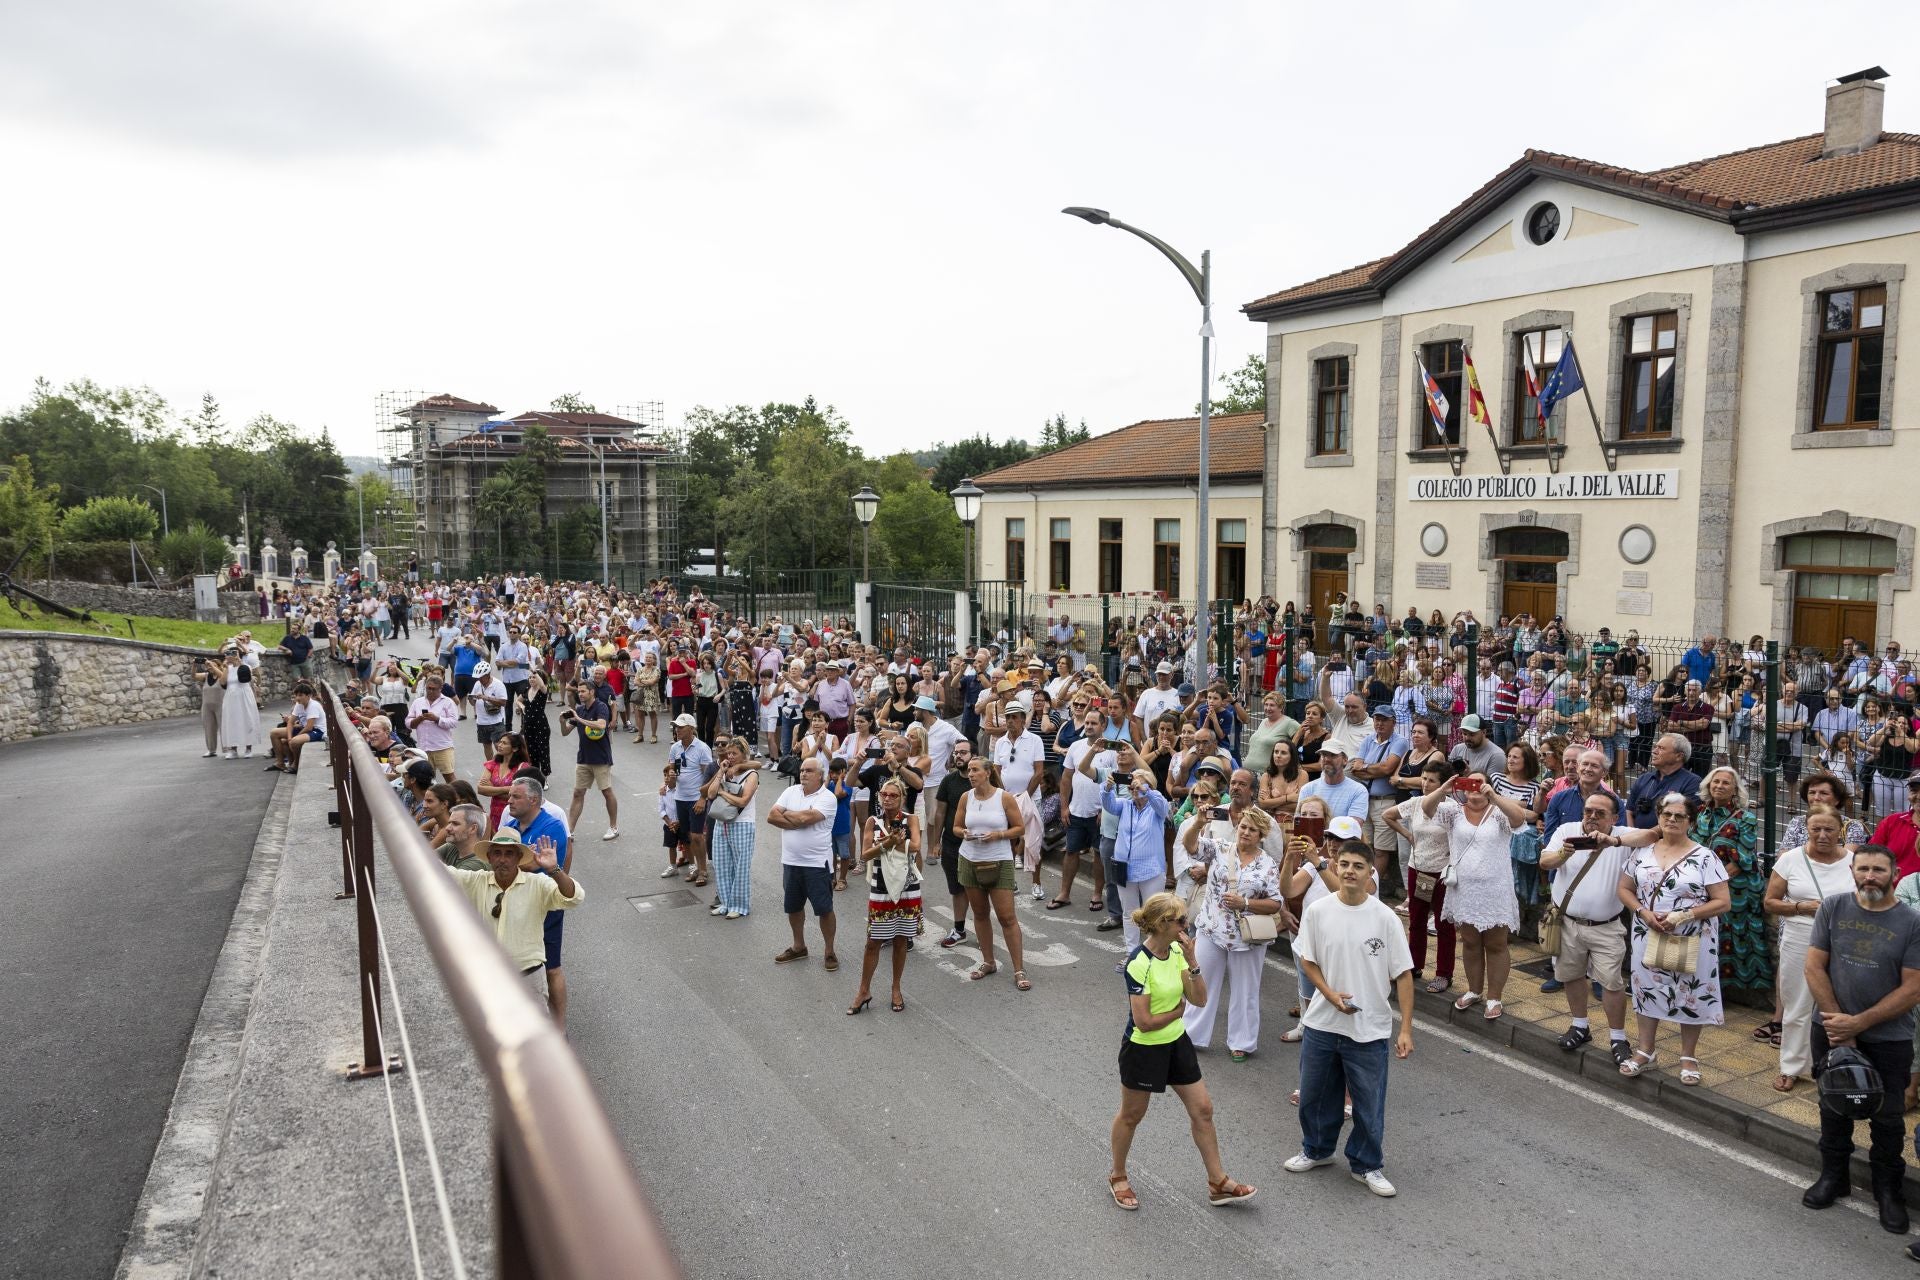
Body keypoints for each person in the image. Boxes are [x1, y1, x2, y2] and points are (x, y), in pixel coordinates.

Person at [1107, 891, 1256, 1212]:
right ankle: (1118, 1175)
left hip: (1176, 1044)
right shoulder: (1139, 963)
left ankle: (1218, 1182)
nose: (1186, 925)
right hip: (1143, 1050)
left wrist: (1192, 962)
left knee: (1203, 1109)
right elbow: (1144, 1022)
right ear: (1162, 925)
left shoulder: (1177, 952)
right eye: (1181, 921)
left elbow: (1200, 1000)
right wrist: (1176, 1013)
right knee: (1132, 1115)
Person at [1802, 844, 1920, 1238]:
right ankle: (1833, 1178)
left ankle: (1888, 1191)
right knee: (1833, 1106)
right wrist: (1838, 1023)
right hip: (1832, 1029)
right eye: (1863, 869)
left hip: (1889, 1037)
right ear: (1852, 870)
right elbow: (1814, 964)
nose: (1870, 876)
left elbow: (1913, 989)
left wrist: (1858, 1024)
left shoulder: (1912, 922)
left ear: (1895, 873)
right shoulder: (1832, 908)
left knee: (1887, 1118)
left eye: (1879, 870)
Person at [1285, 840, 1415, 1199]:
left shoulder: (1385, 918)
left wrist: (1404, 1028)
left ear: (1371, 871)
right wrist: (1328, 994)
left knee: (1368, 1103)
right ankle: (1316, 1149)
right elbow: (1307, 960)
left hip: (1369, 1027)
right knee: (1313, 1095)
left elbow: (1403, 974)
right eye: (1343, 864)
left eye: (1358, 865)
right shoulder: (1319, 911)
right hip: (1322, 1024)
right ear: (1335, 866)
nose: (1349, 871)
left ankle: (1366, 1163)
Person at [1616, 792, 1731, 1082]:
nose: (1672, 820)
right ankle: (1646, 1051)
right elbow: (1624, 889)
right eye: (1667, 814)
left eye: (1680, 816)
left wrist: (1683, 915)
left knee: (1690, 993)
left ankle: (1688, 1057)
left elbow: (1722, 902)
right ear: (1659, 817)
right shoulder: (1642, 852)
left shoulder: (1705, 857)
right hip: (1648, 930)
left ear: (1690, 821)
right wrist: (1643, 913)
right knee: (1646, 989)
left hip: (1693, 935)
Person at [1421, 770, 1532, 1019]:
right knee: (1470, 942)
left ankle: (1494, 997)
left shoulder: (1499, 812)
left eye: (1480, 783)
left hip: (1495, 888)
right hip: (1464, 889)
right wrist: (1444, 788)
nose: (1474, 788)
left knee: (1496, 944)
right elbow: (1427, 808)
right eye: (1469, 783)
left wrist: (1494, 796)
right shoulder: (1453, 811)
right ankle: (1473, 990)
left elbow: (1518, 819)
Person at [1538, 790, 1637, 1067]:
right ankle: (1580, 1026)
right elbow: (1545, 861)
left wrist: (1613, 840)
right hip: (1567, 923)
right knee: (1571, 976)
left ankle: (1618, 1037)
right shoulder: (1567, 830)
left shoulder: (1623, 835)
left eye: (1600, 813)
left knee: (1612, 984)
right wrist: (1562, 854)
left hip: (1606, 927)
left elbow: (1653, 835)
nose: (1592, 817)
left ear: (1614, 818)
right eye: (1588, 811)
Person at [1765, 805, 1855, 1093]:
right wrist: (1801, 907)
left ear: (1840, 830)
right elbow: (1770, 902)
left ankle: (1833, 1064)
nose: (1822, 834)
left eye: (1829, 829)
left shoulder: (1854, 861)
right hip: (1800, 935)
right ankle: (1791, 1066)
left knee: (1838, 1003)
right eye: (1816, 828)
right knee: (1797, 1003)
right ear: (1807, 829)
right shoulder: (1791, 859)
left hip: (1842, 940)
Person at [446, 827, 583, 1015]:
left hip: (528, 978)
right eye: (497, 853)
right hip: (487, 978)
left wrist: (554, 870)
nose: (502, 859)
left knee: (534, 1038)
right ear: (489, 857)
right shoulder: (476, 881)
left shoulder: (538, 883)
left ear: (518, 858)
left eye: (509, 853)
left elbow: (573, 897)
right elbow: (438, 873)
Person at [1182, 807, 1282, 1061]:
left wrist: (1245, 904)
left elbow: (1275, 903)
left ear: (1261, 835)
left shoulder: (1268, 864)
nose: (1246, 832)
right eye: (1243, 827)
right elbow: (1191, 846)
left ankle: (1242, 1043)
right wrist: (1196, 824)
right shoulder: (1219, 847)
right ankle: (1190, 1036)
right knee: (1201, 982)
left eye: (1252, 830)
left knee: (1246, 990)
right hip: (1211, 929)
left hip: (1247, 938)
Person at [495, 777, 577, 1028]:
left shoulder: (551, 827)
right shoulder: (511, 824)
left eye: (515, 797)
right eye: (509, 796)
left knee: (551, 968)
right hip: (516, 904)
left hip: (544, 906)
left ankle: (559, 1028)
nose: (508, 801)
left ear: (533, 800)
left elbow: (531, 865)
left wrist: (509, 862)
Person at [951, 756, 1029, 988]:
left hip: (999, 861)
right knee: (980, 913)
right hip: (970, 859)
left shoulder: (1003, 797)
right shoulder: (966, 797)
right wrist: (963, 833)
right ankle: (988, 961)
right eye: (969, 770)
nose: (971, 774)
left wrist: (998, 835)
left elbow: (1020, 828)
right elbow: (955, 827)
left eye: (975, 770)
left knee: (1007, 917)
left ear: (987, 773)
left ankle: (1019, 969)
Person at [848, 778, 923, 1015]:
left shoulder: (911, 819)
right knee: (873, 942)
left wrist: (887, 844)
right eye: (884, 794)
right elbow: (865, 853)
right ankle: (863, 990)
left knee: (901, 939)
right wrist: (890, 842)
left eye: (893, 795)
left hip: (907, 887)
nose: (887, 799)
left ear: (901, 797)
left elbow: (915, 847)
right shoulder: (873, 821)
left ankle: (896, 988)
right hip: (880, 887)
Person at [1383, 758, 1456, 993]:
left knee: (1444, 925)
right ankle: (1414, 965)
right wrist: (1407, 834)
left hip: (1443, 873)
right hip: (1418, 869)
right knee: (1416, 921)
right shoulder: (1415, 802)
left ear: (1444, 785)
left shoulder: (1451, 808)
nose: (1425, 784)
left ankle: (1444, 974)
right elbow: (1387, 815)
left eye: (1432, 781)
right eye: (1424, 778)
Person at [1693, 766, 1766, 994]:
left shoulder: (1746, 818)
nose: (1719, 786)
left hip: (1735, 887)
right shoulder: (1699, 812)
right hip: (1701, 883)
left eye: (1725, 783)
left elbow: (1742, 859)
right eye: (1715, 782)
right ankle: (1702, 983)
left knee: (1732, 933)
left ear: (1735, 789)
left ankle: (1729, 990)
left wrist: (1712, 883)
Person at [769, 757, 840, 969]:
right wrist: (797, 819)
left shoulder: (827, 797)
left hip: (817, 864)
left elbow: (806, 818)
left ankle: (829, 950)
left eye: (808, 770)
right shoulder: (790, 792)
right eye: (801, 770)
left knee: (824, 909)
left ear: (820, 775)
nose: (803, 774)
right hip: (790, 862)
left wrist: (790, 816)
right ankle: (799, 946)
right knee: (793, 907)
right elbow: (772, 816)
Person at [1103, 765, 1171, 952]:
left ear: (1149, 786)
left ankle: (1153, 952)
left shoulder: (1156, 807)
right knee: (1129, 913)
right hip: (1124, 869)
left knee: (1153, 915)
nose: (1134, 789)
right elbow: (1108, 804)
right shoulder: (1125, 805)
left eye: (1137, 785)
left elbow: (1163, 806)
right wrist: (1107, 787)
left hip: (1151, 870)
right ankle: (1132, 953)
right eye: (1131, 786)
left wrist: (1145, 789)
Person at [1352, 706, 1409, 906]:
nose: (1379, 723)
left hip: (1386, 800)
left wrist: (1367, 768)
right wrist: (1374, 770)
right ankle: (1362, 885)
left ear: (1393, 721)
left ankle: (1370, 888)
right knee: (1365, 845)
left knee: (1382, 849)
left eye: (1384, 720)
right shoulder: (1369, 739)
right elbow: (1355, 768)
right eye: (1377, 719)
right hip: (1365, 799)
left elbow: (1387, 768)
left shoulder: (1400, 741)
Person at [703, 736, 760, 919]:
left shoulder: (751, 775)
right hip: (722, 824)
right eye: (729, 753)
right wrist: (721, 773)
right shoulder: (726, 770)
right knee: (721, 865)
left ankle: (740, 905)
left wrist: (722, 793)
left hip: (742, 824)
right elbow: (711, 794)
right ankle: (726, 903)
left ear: (744, 755)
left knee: (740, 867)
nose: (730, 756)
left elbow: (744, 800)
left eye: (734, 753)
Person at [560, 680, 619, 842]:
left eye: (583, 691)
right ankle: (570, 830)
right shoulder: (579, 710)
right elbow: (565, 732)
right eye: (578, 691)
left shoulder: (600, 707)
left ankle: (613, 827)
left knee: (606, 792)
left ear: (591, 692)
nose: (580, 694)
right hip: (584, 758)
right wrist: (562, 721)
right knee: (578, 793)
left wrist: (579, 719)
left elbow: (601, 725)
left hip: (600, 758)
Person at [665, 712, 715, 884]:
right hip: (680, 798)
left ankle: (703, 871)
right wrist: (670, 777)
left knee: (697, 836)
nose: (677, 729)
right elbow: (672, 780)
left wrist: (703, 798)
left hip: (696, 798)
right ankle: (694, 868)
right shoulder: (675, 748)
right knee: (687, 836)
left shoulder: (702, 748)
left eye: (680, 727)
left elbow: (709, 776)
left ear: (691, 729)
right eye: (676, 726)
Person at [1624, 732, 1701, 829]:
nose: (1654, 751)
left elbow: (1684, 818)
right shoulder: (1644, 778)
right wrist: (1632, 834)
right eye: (1655, 747)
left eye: (1661, 748)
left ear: (1679, 756)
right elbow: (1629, 811)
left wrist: (1643, 837)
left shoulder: (1692, 782)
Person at [406, 672, 460, 782]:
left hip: (442, 747)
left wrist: (437, 719)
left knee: (450, 778)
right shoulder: (418, 702)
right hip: (424, 748)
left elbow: (454, 722)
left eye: (433, 689)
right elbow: (408, 722)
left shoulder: (448, 702)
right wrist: (419, 719)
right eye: (428, 688)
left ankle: (458, 799)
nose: (430, 691)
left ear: (441, 688)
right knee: (426, 780)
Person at [265, 681, 325, 774]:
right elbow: (290, 722)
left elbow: (309, 727)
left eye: (300, 695)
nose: (297, 698)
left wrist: (293, 738)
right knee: (274, 732)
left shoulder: (314, 705)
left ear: (308, 695)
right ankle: (280, 763)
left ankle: (296, 764)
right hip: (303, 728)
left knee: (295, 741)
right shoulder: (298, 704)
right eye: (296, 695)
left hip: (317, 731)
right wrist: (289, 738)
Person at [216, 644, 261, 760]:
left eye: (232, 654)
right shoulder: (227, 668)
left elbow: (245, 677)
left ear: (237, 655)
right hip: (231, 696)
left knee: (247, 720)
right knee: (231, 721)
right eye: (228, 654)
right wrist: (225, 667)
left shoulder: (246, 666)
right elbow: (222, 683)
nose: (228, 656)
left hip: (244, 695)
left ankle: (248, 748)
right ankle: (233, 749)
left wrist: (239, 661)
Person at [472, 660, 508, 747]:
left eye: (481, 677)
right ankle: (489, 761)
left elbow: (503, 702)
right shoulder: (477, 684)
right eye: (478, 677)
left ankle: (501, 761)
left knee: (499, 746)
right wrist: (472, 699)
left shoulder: (498, 685)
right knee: (486, 745)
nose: (479, 679)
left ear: (488, 675)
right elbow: (473, 703)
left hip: (496, 721)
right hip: (481, 721)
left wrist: (487, 698)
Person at [197, 652, 226, 758]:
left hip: (221, 705)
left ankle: (228, 749)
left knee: (224, 727)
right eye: (209, 665)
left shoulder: (222, 676)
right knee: (209, 728)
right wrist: (194, 665)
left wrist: (213, 666)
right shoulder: (206, 676)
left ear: (219, 666)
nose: (210, 667)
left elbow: (222, 676)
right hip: (207, 706)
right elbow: (194, 676)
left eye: (214, 665)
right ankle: (211, 750)